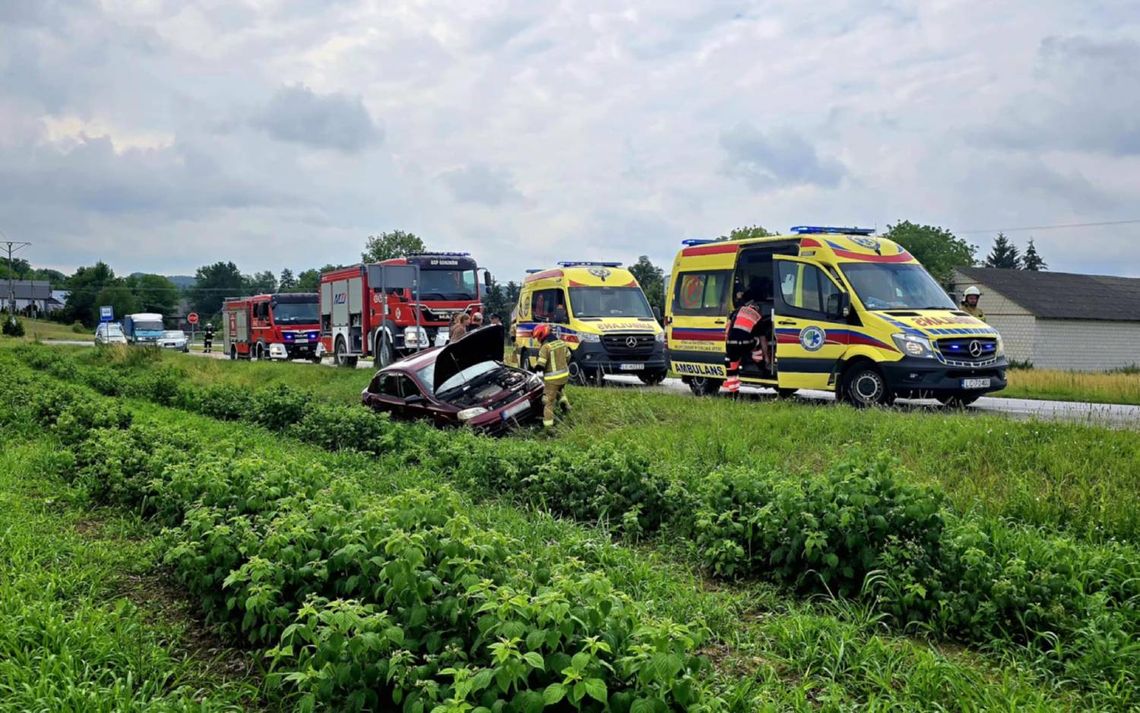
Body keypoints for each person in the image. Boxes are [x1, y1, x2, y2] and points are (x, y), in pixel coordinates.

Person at [724, 294, 765, 395]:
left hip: (731, 343)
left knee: (732, 368)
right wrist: (767, 357)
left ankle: (733, 393)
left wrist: (727, 345)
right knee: (758, 342)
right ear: (757, 309)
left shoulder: (737, 310)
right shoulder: (758, 317)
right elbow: (763, 339)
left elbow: (728, 327)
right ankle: (761, 365)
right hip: (746, 344)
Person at [532, 323, 571, 428]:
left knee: (547, 402)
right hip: (564, 376)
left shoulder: (546, 347)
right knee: (559, 390)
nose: (538, 340)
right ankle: (566, 407)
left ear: (542, 334)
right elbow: (568, 357)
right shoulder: (562, 343)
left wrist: (532, 370)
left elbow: (540, 365)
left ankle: (548, 427)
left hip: (552, 379)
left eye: (538, 337)